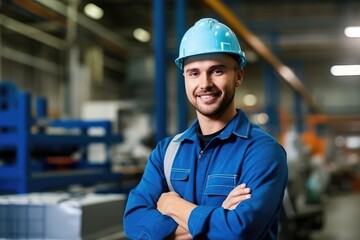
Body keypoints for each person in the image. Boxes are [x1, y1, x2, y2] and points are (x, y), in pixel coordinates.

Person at [123, 17, 288, 239]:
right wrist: (219, 219)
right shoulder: (167, 152)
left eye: (217, 71)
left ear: (238, 76)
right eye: (194, 73)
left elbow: (239, 231)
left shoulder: (262, 152)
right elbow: (133, 223)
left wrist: (172, 205)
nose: (204, 84)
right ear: (184, 77)